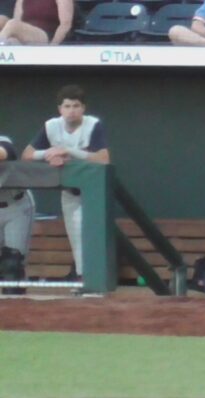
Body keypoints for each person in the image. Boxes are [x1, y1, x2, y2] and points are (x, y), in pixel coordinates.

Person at [22, 85, 110, 281]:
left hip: (93, 191)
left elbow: (103, 159)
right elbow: (27, 155)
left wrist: (68, 151)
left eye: (76, 106)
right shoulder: (52, 125)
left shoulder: (92, 124)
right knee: (76, 236)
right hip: (70, 191)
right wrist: (49, 154)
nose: (71, 110)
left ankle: (93, 279)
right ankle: (82, 278)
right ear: (60, 108)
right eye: (67, 106)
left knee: (92, 235)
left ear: (83, 108)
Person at [0, 133, 33, 295]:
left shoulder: (3, 140)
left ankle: (17, 307)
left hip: (16, 205)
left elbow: (4, 152)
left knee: (12, 263)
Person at [0, 0, 73, 45]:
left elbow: (65, 24)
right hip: (25, 32)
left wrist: (52, 46)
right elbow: (17, 19)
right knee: (1, 19)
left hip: (46, 35)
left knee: (12, 25)